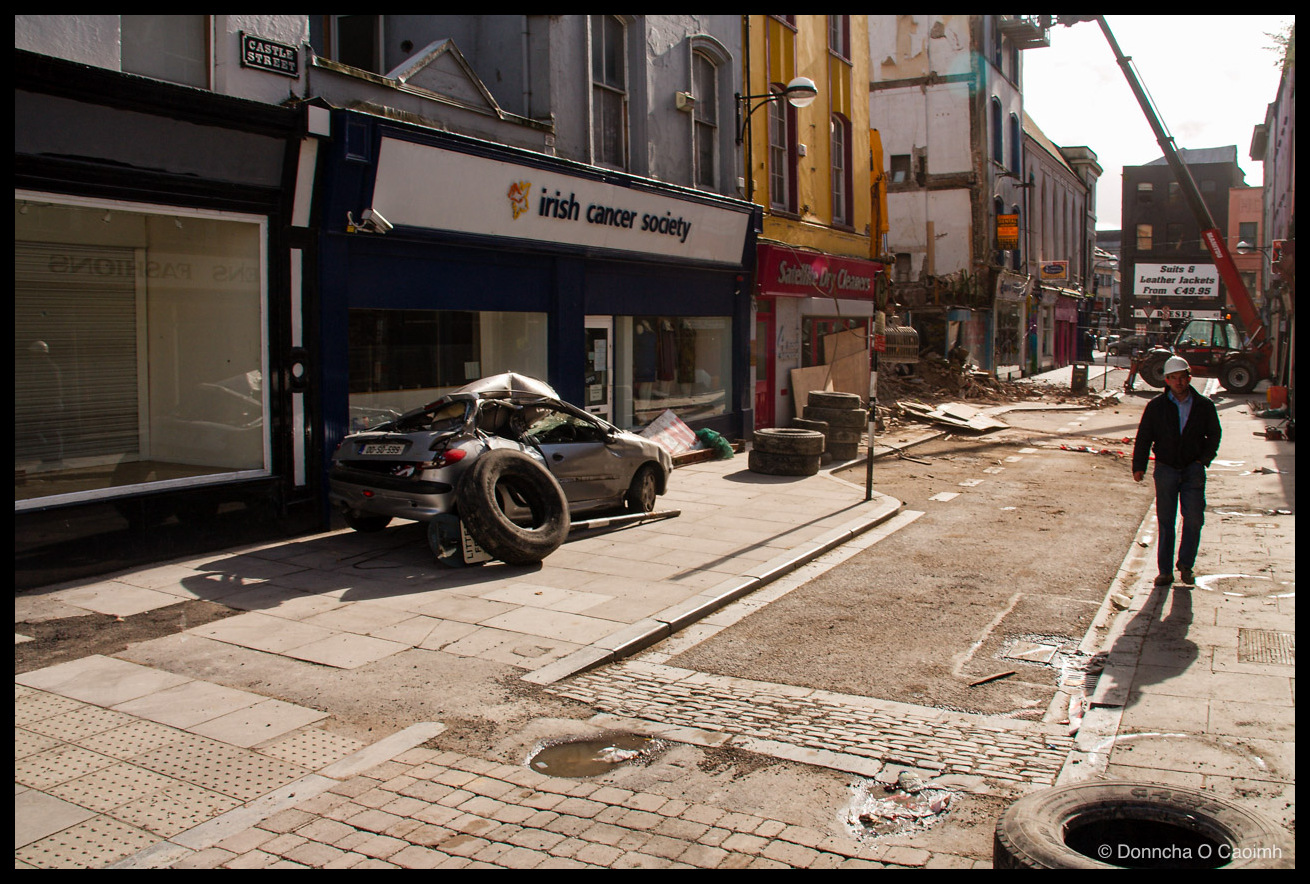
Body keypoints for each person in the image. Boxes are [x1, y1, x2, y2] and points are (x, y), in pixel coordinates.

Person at [1132, 356, 1222, 587]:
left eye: (1182, 378)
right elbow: (1144, 437)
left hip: (1193, 469)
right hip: (1166, 469)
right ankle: (1165, 571)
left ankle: (1185, 565)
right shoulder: (1157, 407)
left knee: (1193, 518)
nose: (1179, 382)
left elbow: (1214, 434)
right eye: (1174, 378)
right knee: (1165, 521)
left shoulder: (1203, 406)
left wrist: (1204, 459)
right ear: (1167, 380)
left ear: (1189, 378)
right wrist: (1139, 466)